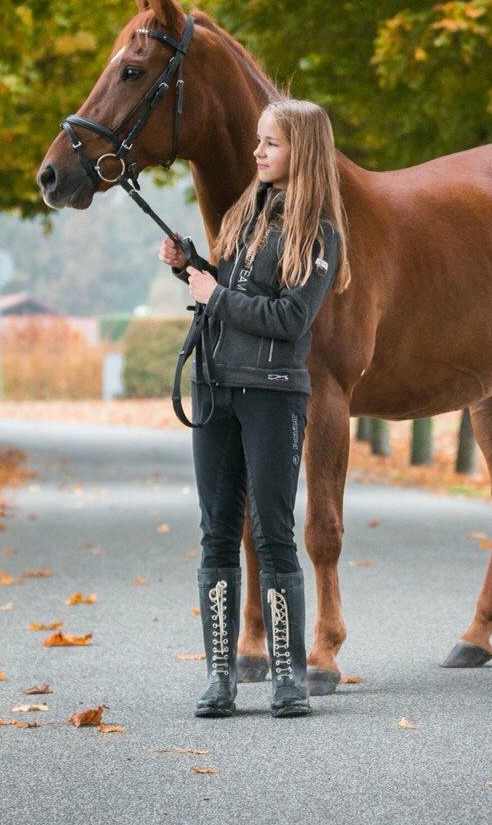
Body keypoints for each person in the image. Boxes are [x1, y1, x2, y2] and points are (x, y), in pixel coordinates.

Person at [159, 98, 350, 718]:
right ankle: (221, 677)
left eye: (271, 143)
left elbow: (290, 319)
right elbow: (231, 294)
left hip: (273, 395)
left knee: (273, 536)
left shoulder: (321, 236)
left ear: (304, 151)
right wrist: (192, 266)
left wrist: (214, 294)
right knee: (217, 535)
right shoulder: (245, 213)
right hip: (215, 391)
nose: (257, 152)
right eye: (258, 141)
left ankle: (288, 676)